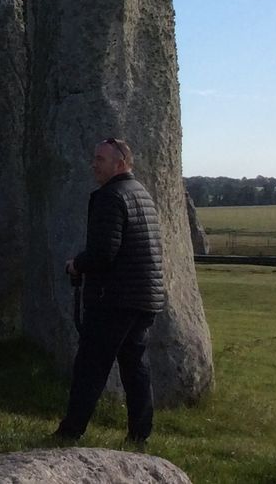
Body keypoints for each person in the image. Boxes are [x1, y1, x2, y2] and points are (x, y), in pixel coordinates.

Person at [55, 138, 165, 444]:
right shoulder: (141, 193)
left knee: (90, 366)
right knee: (135, 366)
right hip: (144, 295)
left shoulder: (110, 196)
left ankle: (70, 431)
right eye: (94, 158)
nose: (94, 164)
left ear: (120, 163)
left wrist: (77, 264)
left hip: (114, 298)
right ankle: (139, 434)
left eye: (100, 159)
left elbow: (104, 253)